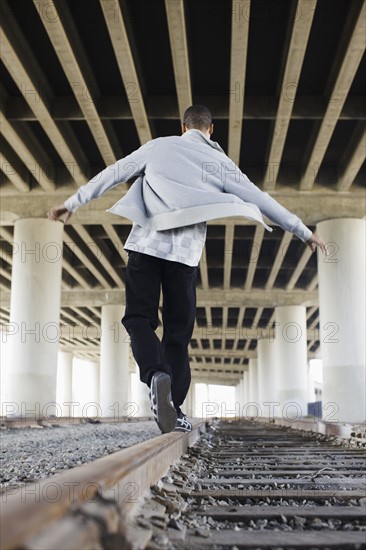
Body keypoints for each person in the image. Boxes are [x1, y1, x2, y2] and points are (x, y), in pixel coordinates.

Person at [48, 105, 327, 433]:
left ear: (183, 127)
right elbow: (262, 199)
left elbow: (113, 173)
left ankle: (155, 374)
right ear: (211, 130)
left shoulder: (159, 146)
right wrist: (303, 232)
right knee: (178, 335)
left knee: (139, 319)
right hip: (183, 258)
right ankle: (174, 407)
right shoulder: (219, 163)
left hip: (145, 247)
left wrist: (72, 202)